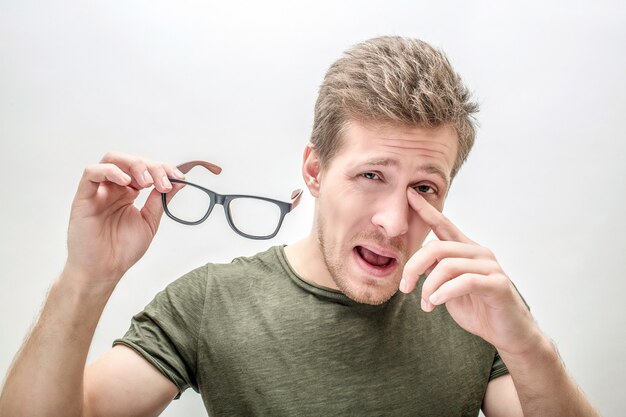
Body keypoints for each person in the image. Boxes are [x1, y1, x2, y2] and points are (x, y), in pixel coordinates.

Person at [0, 36, 600, 417]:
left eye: (424, 188)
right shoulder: (211, 302)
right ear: (314, 169)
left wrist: (526, 345)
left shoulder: (475, 306)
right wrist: (85, 276)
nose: (393, 221)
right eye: (371, 175)